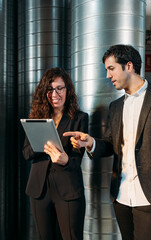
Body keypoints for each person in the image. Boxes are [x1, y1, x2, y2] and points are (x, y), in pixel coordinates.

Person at [64, 45, 151, 240]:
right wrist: (91, 142)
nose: (108, 76)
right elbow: (111, 144)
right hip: (121, 195)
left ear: (129, 66)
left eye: (111, 69)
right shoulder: (116, 106)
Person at [22, 67, 88, 240]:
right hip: (40, 190)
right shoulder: (36, 118)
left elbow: (76, 161)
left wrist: (65, 159)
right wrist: (41, 143)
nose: (55, 94)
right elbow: (26, 153)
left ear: (68, 90)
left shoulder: (80, 118)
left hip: (68, 189)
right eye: (50, 89)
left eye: (60, 88)